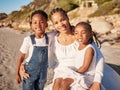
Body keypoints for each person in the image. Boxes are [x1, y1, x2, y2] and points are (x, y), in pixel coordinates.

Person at [49, 8, 104, 90]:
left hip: (80, 71)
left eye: (63, 20)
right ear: (53, 25)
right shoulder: (52, 38)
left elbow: (99, 57)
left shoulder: (80, 34)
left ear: (67, 18)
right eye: (56, 23)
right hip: (61, 72)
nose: (61, 24)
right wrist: (22, 64)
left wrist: (97, 82)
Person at [15, 10, 54, 90]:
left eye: (42, 22)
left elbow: (62, 31)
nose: (38, 25)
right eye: (35, 22)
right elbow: (21, 57)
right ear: (31, 25)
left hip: (43, 73)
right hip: (29, 72)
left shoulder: (50, 36)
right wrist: (17, 73)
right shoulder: (28, 40)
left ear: (46, 24)